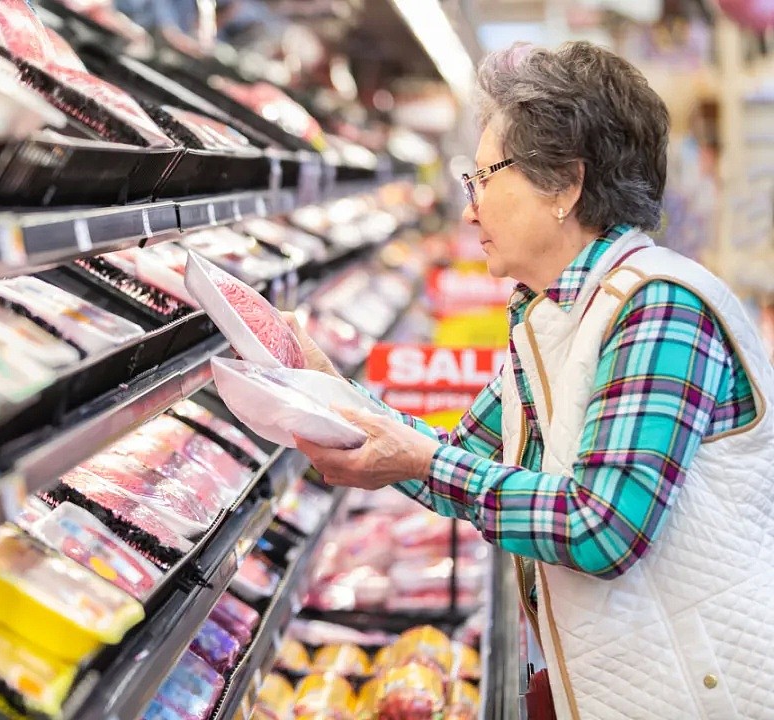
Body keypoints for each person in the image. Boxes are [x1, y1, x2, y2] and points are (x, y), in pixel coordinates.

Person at [287, 41, 774, 720]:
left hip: (701, 692)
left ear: (566, 184)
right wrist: (324, 391)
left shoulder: (658, 306)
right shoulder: (554, 316)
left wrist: (424, 458)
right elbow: (458, 456)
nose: (469, 209)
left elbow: (602, 528)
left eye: (482, 178)